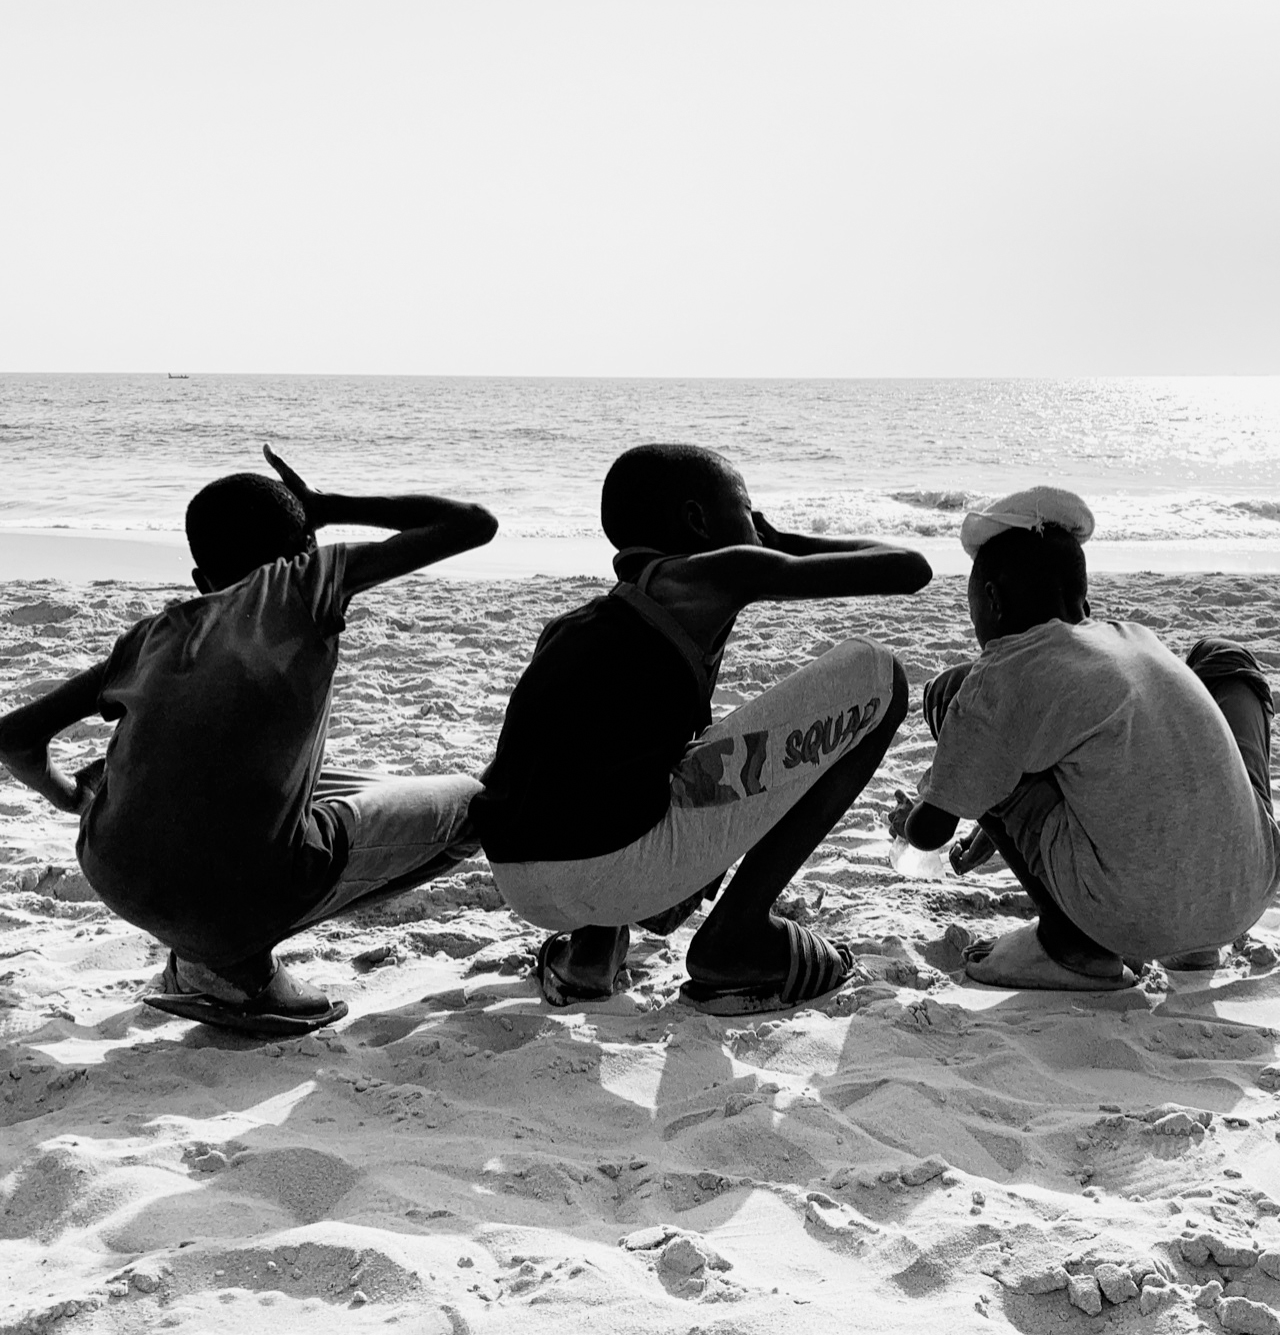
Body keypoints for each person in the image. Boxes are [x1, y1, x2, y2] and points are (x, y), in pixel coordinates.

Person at [0, 446, 497, 1036]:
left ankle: (202, 956)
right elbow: (474, 524)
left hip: (113, 872)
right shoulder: (307, 582)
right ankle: (236, 967)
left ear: (200, 580)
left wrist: (71, 799)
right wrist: (329, 506)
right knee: (477, 807)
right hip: (237, 894)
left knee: (302, 789)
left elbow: (16, 736)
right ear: (306, 548)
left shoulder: (147, 637)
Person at [470, 442, 931, 1013]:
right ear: (697, 520)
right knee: (880, 676)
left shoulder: (575, 624)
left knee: (627, 759)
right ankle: (736, 935)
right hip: (610, 868)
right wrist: (778, 541)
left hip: (518, 876)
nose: (755, 524)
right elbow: (912, 570)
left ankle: (589, 955)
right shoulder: (714, 572)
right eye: (746, 509)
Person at [890, 487, 1280, 990]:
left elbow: (929, 834)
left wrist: (915, 815)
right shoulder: (1136, 638)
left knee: (951, 695)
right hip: (1245, 894)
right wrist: (991, 818)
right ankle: (1197, 948)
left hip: (1128, 916)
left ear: (992, 600)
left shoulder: (1003, 672)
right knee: (1222, 656)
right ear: (1085, 604)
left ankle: (1073, 947)